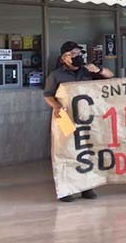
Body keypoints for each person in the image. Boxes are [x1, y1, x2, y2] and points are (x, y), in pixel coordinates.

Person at [43, 41, 114, 202]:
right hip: (65, 117)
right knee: (66, 151)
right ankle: (67, 190)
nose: (76, 56)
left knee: (88, 150)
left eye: (78, 53)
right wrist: (56, 106)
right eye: (72, 54)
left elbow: (110, 76)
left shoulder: (87, 70)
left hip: (87, 118)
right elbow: (48, 95)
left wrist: (99, 70)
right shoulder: (55, 75)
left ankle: (87, 188)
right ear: (64, 58)